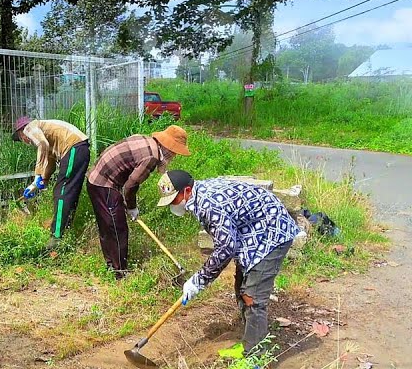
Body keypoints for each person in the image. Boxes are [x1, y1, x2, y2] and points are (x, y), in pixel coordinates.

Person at [157, 169, 302, 355]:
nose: (173, 205)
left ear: (186, 191)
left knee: (253, 297)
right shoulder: (199, 192)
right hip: (252, 232)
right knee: (242, 290)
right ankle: (248, 343)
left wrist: (199, 280)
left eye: (174, 199)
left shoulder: (208, 204)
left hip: (271, 233)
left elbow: (226, 248)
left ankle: (255, 359)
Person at [86, 125, 190, 278]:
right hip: (104, 183)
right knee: (117, 229)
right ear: (168, 148)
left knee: (108, 226)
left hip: (97, 178)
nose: (174, 156)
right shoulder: (152, 157)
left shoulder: (148, 141)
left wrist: (126, 203)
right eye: (174, 152)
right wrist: (131, 206)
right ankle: (118, 272)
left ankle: (111, 266)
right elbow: (131, 185)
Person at [12, 116, 91, 249]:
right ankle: (65, 235)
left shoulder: (29, 127)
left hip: (74, 148)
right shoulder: (45, 131)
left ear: (21, 132)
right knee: (69, 194)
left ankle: (56, 238)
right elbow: (50, 164)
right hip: (79, 149)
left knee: (62, 193)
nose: (24, 141)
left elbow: (42, 144)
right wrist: (43, 181)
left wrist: (37, 175)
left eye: (21, 138)